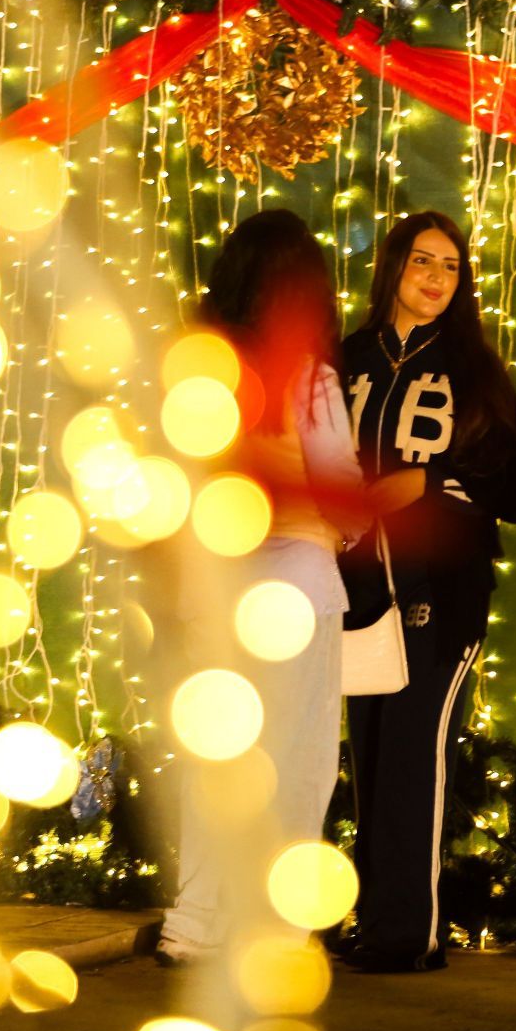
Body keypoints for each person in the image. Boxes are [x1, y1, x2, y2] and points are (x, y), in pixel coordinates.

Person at [155, 209, 369, 964]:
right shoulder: (308, 380)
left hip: (213, 596)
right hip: (299, 595)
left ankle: (197, 920)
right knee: (296, 765)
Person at [339, 210, 516, 973]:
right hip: (353, 588)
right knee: (374, 750)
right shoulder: (347, 358)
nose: (436, 279)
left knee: (416, 749)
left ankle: (405, 934)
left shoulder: (473, 369)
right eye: (423, 262)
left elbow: (511, 482)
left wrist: (426, 482)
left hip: (441, 590)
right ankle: (371, 915)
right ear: (393, 267)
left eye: (451, 268)